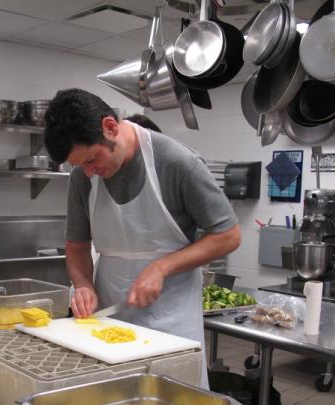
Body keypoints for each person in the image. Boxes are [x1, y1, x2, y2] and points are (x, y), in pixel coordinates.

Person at [44, 89, 241, 387]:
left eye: (92, 160)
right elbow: (77, 246)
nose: (89, 171)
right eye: (80, 165)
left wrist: (162, 267)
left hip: (171, 320)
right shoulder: (82, 178)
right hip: (107, 319)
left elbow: (228, 235)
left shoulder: (176, 163)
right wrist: (83, 286)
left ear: (110, 127)